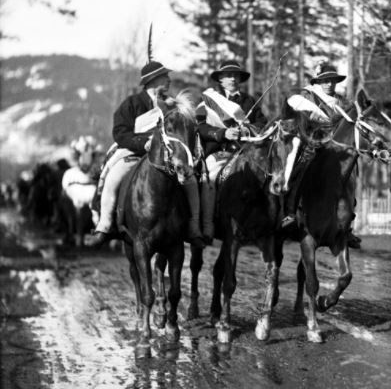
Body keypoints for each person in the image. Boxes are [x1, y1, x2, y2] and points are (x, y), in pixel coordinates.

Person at [88, 60, 205, 248]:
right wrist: (145, 143)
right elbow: (120, 133)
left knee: (190, 181)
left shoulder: (172, 105)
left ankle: (193, 228)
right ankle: (105, 226)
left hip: (168, 156)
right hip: (133, 153)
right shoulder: (132, 103)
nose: (168, 80)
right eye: (164, 77)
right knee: (112, 179)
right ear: (153, 80)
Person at [281, 61, 362, 249]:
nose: (329, 84)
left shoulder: (343, 103)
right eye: (324, 81)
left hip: (335, 149)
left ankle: (346, 225)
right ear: (317, 82)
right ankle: (291, 212)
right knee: (300, 168)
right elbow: (298, 121)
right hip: (312, 144)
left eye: (332, 80)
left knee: (349, 174)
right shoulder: (306, 97)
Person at [196, 59, 268, 242]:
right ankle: (207, 226)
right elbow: (201, 127)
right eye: (228, 75)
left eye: (235, 75)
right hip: (219, 153)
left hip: (244, 153)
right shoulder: (208, 101)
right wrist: (223, 133)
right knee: (209, 180)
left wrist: (246, 129)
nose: (232, 79)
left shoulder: (249, 101)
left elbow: (262, 124)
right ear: (220, 79)